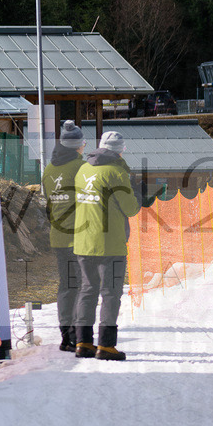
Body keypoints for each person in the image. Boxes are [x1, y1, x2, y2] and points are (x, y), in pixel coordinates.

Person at [73, 131, 142, 361]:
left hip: (83, 242)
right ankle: (106, 346)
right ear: (119, 150)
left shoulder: (82, 170)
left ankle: (82, 342)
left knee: (87, 290)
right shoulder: (117, 172)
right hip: (110, 244)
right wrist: (139, 193)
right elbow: (131, 208)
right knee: (110, 294)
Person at [41, 120, 85, 353]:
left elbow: (49, 204)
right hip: (79, 238)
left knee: (67, 286)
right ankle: (77, 337)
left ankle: (66, 336)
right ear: (77, 145)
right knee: (81, 287)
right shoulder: (81, 168)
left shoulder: (49, 169)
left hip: (58, 237)